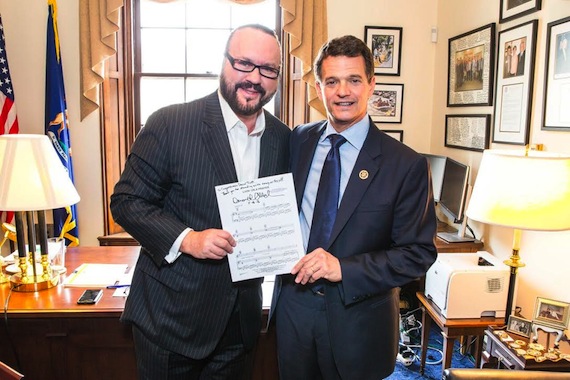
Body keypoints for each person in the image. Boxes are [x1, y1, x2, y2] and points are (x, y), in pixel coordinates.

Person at [110, 24, 290, 379]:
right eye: (244, 63)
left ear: (277, 77)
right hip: (171, 323)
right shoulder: (170, 123)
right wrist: (188, 239)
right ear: (223, 63)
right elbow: (126, 201)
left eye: (268, 69)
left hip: (241, 326)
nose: (254, 78)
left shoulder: (283, 139)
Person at [270, 35, 438, 380]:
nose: (342, 91)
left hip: (359, 320)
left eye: (354, 80)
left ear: (372, 84)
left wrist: (343, 269)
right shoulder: (299, 140)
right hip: (294, 310)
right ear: (318, 87)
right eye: (332, 81)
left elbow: (417, 254)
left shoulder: (405, 165)